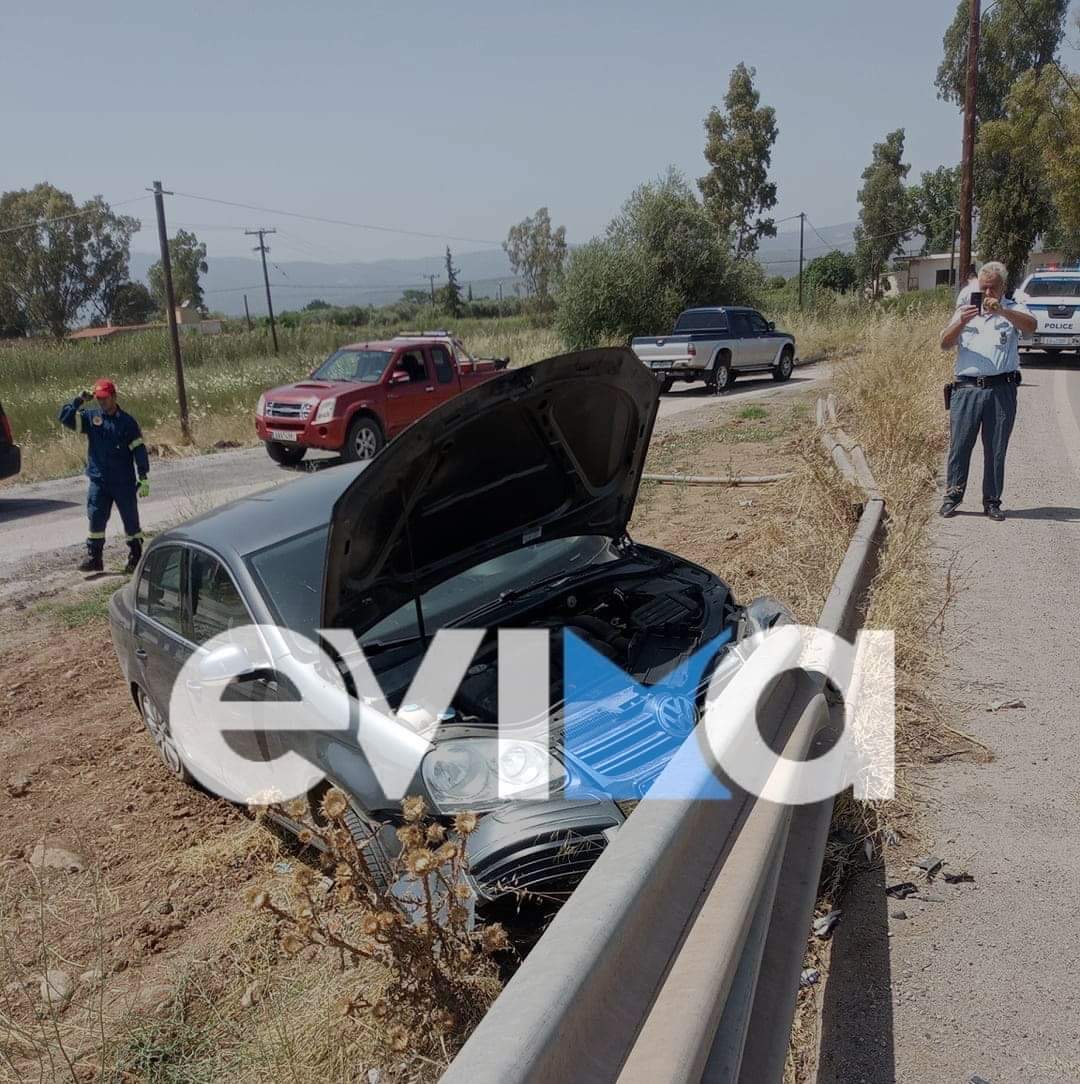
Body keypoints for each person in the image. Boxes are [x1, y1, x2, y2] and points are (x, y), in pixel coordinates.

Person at [939, 261, 1037, 521]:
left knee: (996, 448)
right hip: (966, 390)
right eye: (984, 288)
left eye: (993, 288)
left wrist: (1003, 310)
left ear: (1002, 287)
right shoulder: (965, 309)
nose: (987, 293)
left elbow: (1031, 327)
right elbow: (944, 343)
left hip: (1001, 390)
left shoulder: (1013, 308)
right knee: (960, 446)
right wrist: (961, 321)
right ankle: (953, 496)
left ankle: (992, 501)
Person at [58, 379, 150, 573]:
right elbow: (65, 418)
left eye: (105, 398)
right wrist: (78, 400)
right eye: (99, 399)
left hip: (123, 482)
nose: (101, 402)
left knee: (130, 521)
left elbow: (139, 449)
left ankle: (135, 556)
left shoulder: (127, 422)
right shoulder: (91, 419)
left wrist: (143, 475)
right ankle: (94, 558)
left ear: (114, 397)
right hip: (99, 481)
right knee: (96, 519)